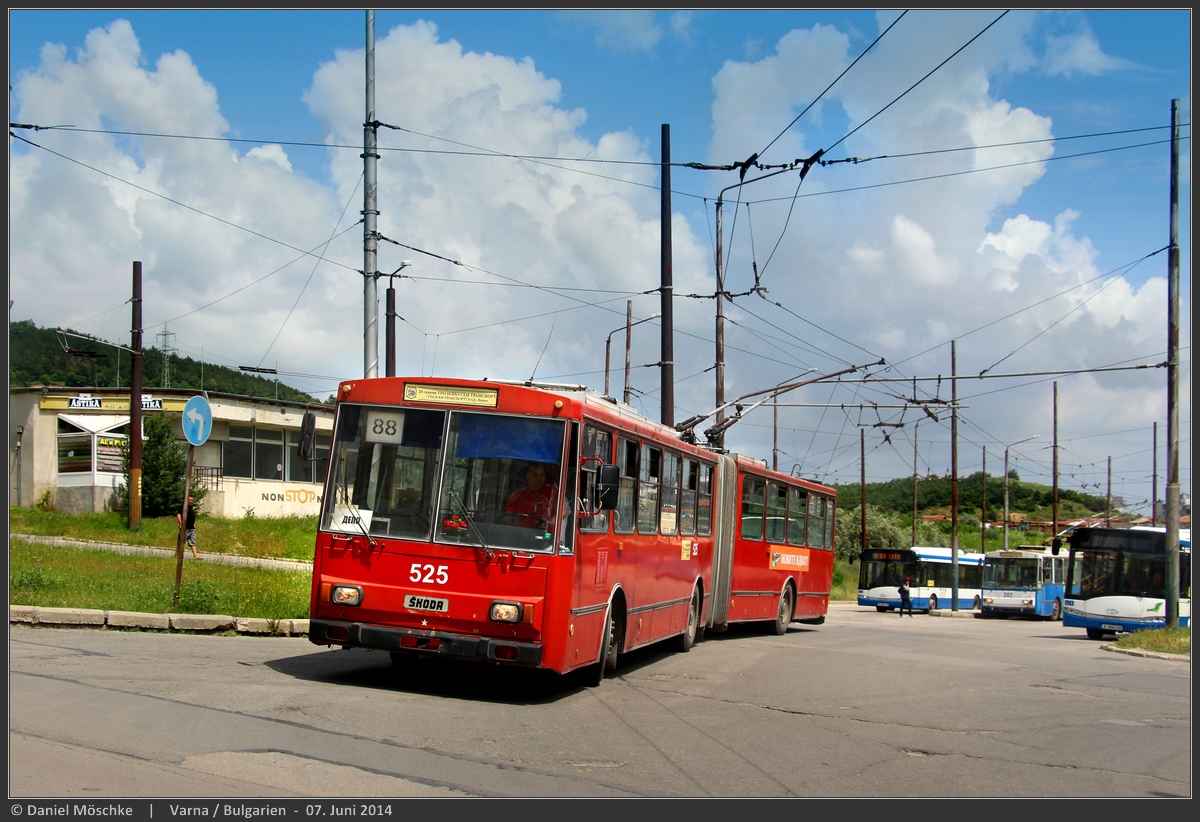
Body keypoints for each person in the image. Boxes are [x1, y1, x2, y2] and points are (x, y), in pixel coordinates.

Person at [504, 463, 558, 529]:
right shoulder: (517, 494)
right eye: (535, 475)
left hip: (547, 535)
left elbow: (563, 512)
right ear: (527, 476)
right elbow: (507, 519)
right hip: (523, 534)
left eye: (541, 475)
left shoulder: (553, 491)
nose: (539, 478)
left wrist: (548, 523)